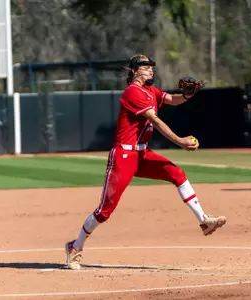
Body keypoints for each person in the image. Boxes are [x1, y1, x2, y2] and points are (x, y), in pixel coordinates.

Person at [65, 54, 227, 270]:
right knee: (105, 210)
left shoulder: (151, 91)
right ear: (134, 71)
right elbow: (156, 121)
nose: (151, 70)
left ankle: (204, 221)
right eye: (146, 67)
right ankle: (75, 247)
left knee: (176, 174)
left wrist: (186, 95)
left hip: (143, 154)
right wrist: (180, 141)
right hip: (123, 156)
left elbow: (171, 100)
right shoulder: (133, 92)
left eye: (152, 67)